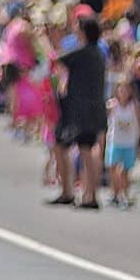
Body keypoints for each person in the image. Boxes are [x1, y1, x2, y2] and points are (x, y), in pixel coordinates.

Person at [49, 15, 106, 209]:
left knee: (63, 147)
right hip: (92, 110)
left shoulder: (82, 52)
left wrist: (51, 39)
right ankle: (90, 194)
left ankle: (69, 191)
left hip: (77, 112)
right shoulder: (98, 53)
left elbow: (57, 59)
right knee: (86, 150)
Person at [105, 77, 140, 207]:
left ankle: (125, 194)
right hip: (115, 141)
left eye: (126, 89)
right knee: (113, 168)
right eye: (121, 89)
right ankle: (114, 194)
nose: (123, 92)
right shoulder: (112, 105)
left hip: (129, 143)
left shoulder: (134, 106)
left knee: (125, 171)